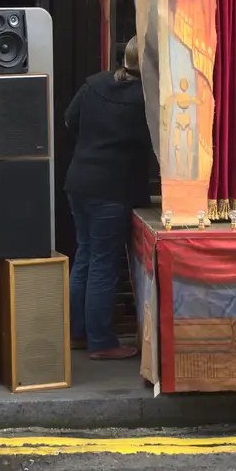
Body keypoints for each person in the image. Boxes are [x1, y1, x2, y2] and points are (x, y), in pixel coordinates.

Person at [63, 35, 158, 360]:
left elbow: (69, 119)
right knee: (103, 262)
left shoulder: (95, 84)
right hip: (112, 187)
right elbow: (157, 145)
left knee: (86, 256)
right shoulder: (146, 99)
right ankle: (101, 341)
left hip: (79, 180)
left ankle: (76, 332)